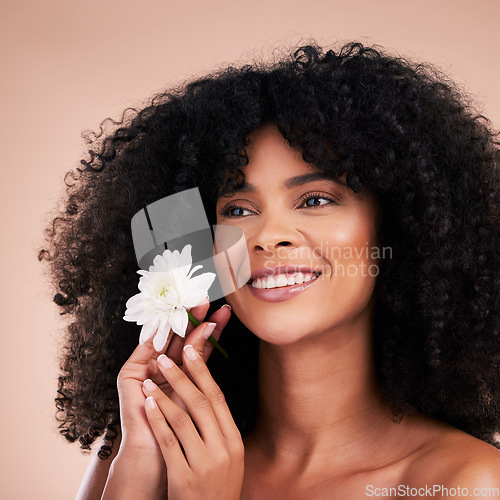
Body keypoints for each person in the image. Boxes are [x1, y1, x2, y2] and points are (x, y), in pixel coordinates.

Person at [40, 42, 500, 499]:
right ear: (204, 247)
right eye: (238, 210)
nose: (267, 236)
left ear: (398, 229)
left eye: (315, 200)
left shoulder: (465, 483)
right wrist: (137, 461)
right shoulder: (141, 455)